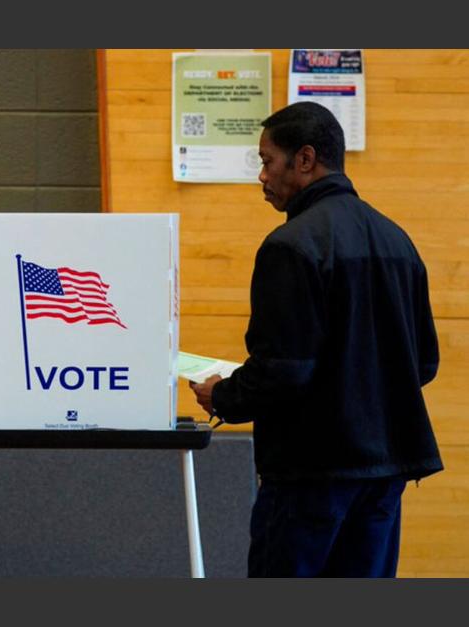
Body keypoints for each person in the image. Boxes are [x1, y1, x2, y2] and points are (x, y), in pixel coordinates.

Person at [189, 101, 442, 577]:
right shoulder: (398, 242)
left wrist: (222, 393)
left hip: (311, 476)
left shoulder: (291, 246)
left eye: (266, 161)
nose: (261, 177)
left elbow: (286, 369)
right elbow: (423, 363)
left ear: (304, 160)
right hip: (384, 474)